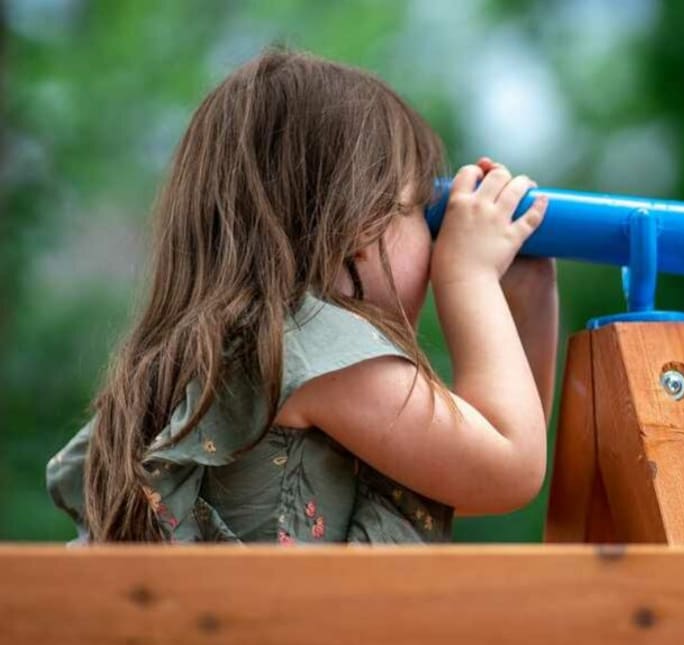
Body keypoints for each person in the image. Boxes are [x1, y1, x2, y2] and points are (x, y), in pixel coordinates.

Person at [44, 48, 558, 544]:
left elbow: (456, 476)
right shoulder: (310, 346)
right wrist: (470, 277)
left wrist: (526, 298)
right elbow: (505, 466)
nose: (435, 239)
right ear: (358, 225)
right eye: (418, 210)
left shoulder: (230, 349)